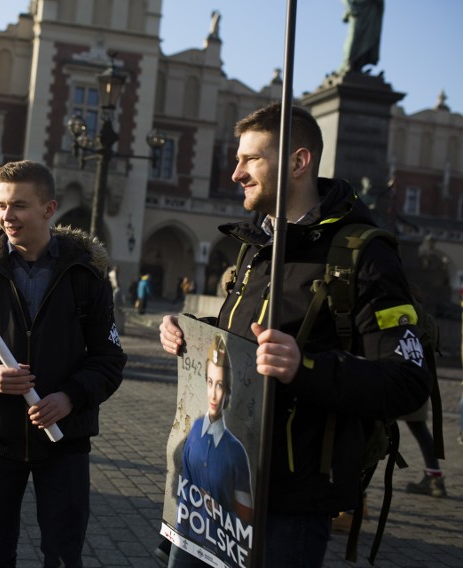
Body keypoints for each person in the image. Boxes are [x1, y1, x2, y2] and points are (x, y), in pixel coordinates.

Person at [158, 102, 432, 567]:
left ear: (298, 162)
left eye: (251, 159)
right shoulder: (255, 247)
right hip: (208, 486)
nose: (236, 173)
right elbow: (247, 343)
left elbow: (408, 381)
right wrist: (193, 336)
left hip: (289, 502)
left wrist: (304, 366)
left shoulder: (362, 256)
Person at [0, 160, 125, 568]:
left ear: (48, 208)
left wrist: (71, 397)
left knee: (63, 556)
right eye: (1, 205)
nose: (6, 216)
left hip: (64, 441)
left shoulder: (85, 276)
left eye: (18, 205)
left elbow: (108, 359)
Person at [172, 335, 253, 568]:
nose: (213, 394)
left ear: (228, 390)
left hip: (222, 552)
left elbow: (244, 519)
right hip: (188, 543)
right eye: (209, 382)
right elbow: (184, 491)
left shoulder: (236, 451)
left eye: (220, 385)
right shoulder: (195, 428)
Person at [340, 0, 384, 73]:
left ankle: (358, 66)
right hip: (357, 7)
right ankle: (348, 62)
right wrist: (349, 6)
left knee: (368, 38)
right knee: (354, 37)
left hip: (371, 8)